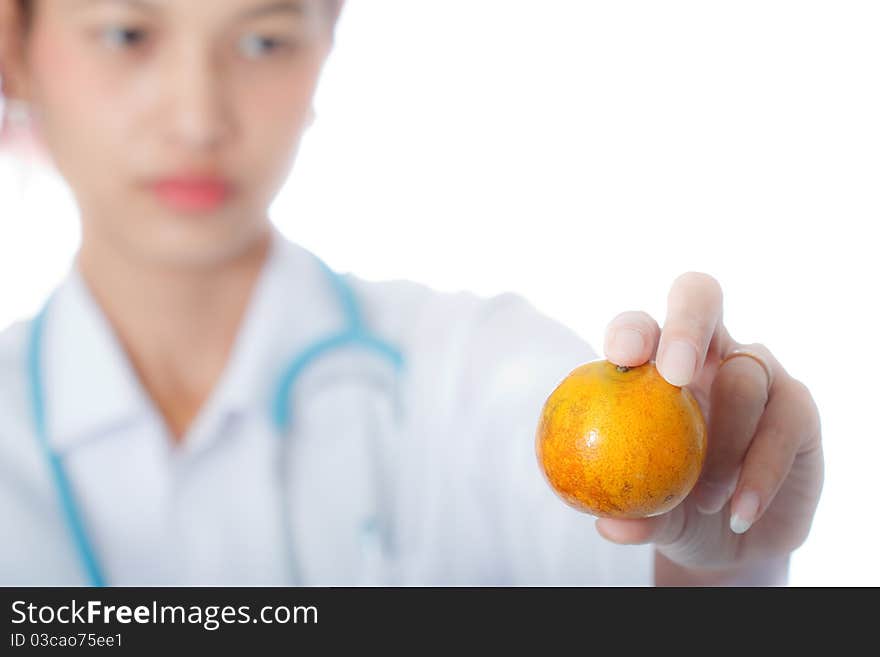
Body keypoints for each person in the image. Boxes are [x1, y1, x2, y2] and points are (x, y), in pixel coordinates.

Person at [0, 0, 823, 586]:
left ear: (328, 43)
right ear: (15, 46)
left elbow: (631, 559)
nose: (196, 116)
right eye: (126, 32)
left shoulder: (468, 369)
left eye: (263, 42)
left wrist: (714, 566)